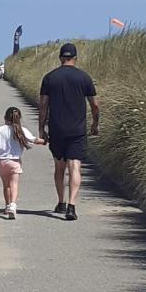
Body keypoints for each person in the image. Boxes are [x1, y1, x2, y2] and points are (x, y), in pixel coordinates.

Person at [39, 43, 99, 221]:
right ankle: (72, 206)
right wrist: (95, 123)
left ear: (60, 58)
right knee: (75, 167)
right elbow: (95, 105)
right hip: (77, 130)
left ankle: (61, 202)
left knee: (59, 167)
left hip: (57, 129)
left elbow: (43, 106)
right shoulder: (84, 78)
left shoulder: (49, 78)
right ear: (75, 58)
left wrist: (41, 129)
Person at [0, 106, 46, 219]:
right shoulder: (22, 130)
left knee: (6, 185)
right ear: (19, 118)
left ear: (5, 118)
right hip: (15, 161)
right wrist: (45, 141)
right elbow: (35, 140)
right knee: (14, 184)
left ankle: (7, 205)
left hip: (2, 161)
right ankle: (13, 205)